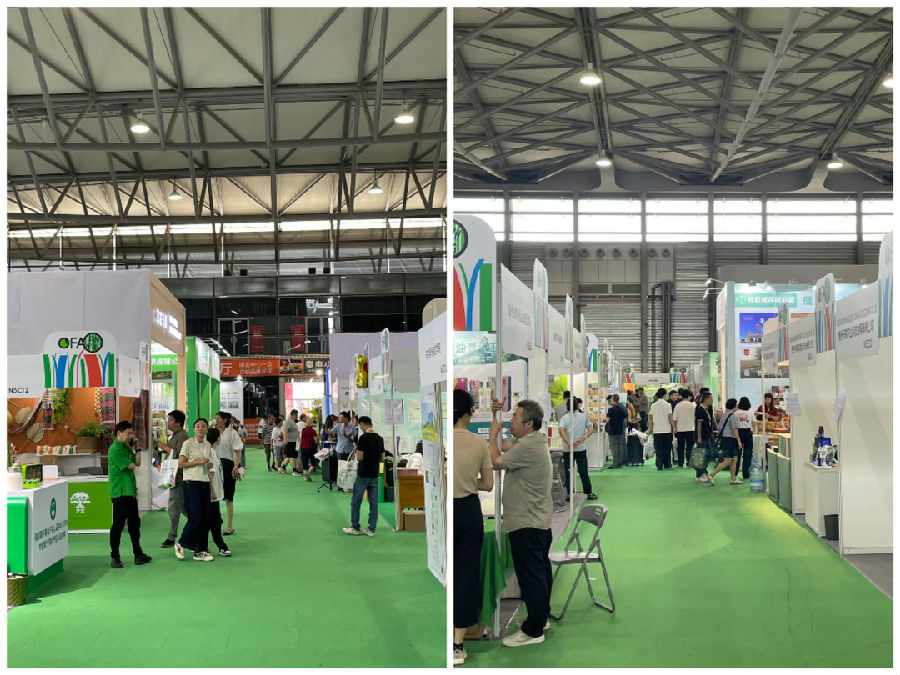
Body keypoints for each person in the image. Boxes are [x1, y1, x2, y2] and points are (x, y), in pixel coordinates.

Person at [488, 398, 553, 648]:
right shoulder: (532, 441)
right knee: (540, 572)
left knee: (531, 576)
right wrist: (495, 420)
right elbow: (505, 446)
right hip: (536, 520)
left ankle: (533, 630)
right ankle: (541, 618)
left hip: (527, 522)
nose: (511, 421)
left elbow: (496, 462)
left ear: (528, 423)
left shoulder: (528, 446)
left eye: (515, 417)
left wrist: (492, 434)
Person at [452, 389, 494, 666]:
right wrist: (468, 481)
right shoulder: (479, 442)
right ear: (469, 413)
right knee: (466, 574)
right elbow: (488, 484)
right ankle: (458, 644)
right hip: (468, 511)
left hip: (446, 509)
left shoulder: (441, 440)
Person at [108, 421, 152, 568]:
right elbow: (132, 466)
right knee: (118, 525)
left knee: (134, 524)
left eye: (131, 433)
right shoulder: (114, 450)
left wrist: (137, 448)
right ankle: (115, 556)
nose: (131, 436)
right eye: (128, 433)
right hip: (120, 492)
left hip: (130, 491)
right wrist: (133, 451)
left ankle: (138, 554)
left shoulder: (126, 447)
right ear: (119, 433)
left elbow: (138, 463)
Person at [175, 418, 215, 562]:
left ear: (206, 429)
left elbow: (206, 466)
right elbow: (181, 463)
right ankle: (182, 543)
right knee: (196, 517)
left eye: (203, 426)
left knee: (206, 518)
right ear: (193, 429)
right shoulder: (188, 443)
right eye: (198, 426)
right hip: (191, 483)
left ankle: (201, 550)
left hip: (204, 483)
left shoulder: (208, 445)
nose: (200, 429)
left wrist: (208, 467)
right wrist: (198, 462)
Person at [342, 416, 384, 536]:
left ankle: (355, 527)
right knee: (373, 503)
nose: (360, 427)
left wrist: (356, 451)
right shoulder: (380, 438)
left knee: (356, 500)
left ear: (363, 424)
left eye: (360, 425)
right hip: (374, 474)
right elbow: (382, 457)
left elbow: (360, 457)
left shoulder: (363, 438)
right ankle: (371, 529)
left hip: (363, 473)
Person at [158, 409, 188, 548]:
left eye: (170, 420)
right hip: (175, 477)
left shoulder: (182, 436)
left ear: (178, 422)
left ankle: (171, 536)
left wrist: (165, 447)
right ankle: (199, 524)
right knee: (182, 507)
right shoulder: (175, 436)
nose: (168, 422)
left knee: (174, 507)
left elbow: (180, 455)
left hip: (179, 477)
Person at [559, 398, 597, 499]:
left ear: (567, 406)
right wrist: (582, 439)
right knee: (583, 472)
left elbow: (561, 430)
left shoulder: (564, 418)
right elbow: (590, 430)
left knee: (568, 472)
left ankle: (569, 494)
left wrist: (568, 442)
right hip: (581, 448)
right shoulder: (583, 416)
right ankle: (588, 493)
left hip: (568, 449)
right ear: (577, 405)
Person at [213, 411, 243, 535]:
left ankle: (229, 526)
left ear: (224, 420)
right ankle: (216, 522)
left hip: (228, 466)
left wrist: (236, 466)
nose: (216, 420)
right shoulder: (212, 432)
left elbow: (238, 451)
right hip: (214, 466)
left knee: (228, 497)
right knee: (213, 496)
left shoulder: (232, 433)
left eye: (218, 418)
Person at [205, 428, 231, 557]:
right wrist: (213, 492)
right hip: (211, 495)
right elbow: (208, 474)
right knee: (214, 522)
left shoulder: (213, 452)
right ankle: (221, 546)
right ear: (218, 439)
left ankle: (200, 545)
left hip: (214, 494)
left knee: (212, 521)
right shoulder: (209, 453)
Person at [708, 398, 742, 486]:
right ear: (734, 406)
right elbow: (735, 430)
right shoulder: (734, 416)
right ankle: (712, 474)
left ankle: (733, 478)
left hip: (725, 439)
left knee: (734, 459)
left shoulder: (724, 415)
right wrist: (739, 440)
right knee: (728, 460)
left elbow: (719, 428)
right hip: (731, 439)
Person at [649, 388, 675, 470]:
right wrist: (673, 427)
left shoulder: (653, 405)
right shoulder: (668, 405)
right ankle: (667, 464)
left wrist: (650, 428)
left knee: (658, 449)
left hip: (657, 430)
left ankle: (659, 465)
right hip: (666, 430)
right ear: (664, 395)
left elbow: (650, 417)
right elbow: (670, 417)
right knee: (667, 448)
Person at [693, 391, 715, 483]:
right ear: (706, 399)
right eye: (711, 398)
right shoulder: (700, 409)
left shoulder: (708, 409)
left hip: (708, 435)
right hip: (702, 436)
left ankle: (704, 471)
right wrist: (699, 437)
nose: (712, 400)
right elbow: (699, 424)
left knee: (710, 454)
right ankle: (700, 474)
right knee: (700, 455)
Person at [604, 394, 628, 470]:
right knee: (620, 447)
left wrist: (604, 420)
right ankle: (620, 462)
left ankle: (615, 464)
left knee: (614, 448)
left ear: (612, 400)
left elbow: (608, 420)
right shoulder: (622, 409)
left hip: (612, 431)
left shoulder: (610, 410)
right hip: (620, 430)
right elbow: (625, 420)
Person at [673, 389, 696, 468]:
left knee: (680, 447)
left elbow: (674, 419)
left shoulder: (678, 405)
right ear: (689, 396)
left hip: (680, 429)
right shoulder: (692, 405)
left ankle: (680, 463)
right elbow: (695, 418)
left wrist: (674, 428)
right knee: (690, 447)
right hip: (691, 428)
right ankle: (689, 462)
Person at [735, 397, 755, 479]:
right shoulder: (751, 413)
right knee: (748, 454)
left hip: (738, 432)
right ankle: (746, 474)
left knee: (737, 454)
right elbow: (754, 424)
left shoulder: (736, 413)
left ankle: (734, 473)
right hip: (748, 432)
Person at [300, 415, 319, 482]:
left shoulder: (303, 430)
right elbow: (315, 440)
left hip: (303, 447)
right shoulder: (313, 431)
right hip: (311, 448)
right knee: (313, 463)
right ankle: (308, 473)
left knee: (305, 463)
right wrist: (318, 443)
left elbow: (301, 438)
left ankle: (307, 477)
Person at [282, 410, 301, 475]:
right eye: (297, 415)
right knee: (291, 456)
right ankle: (294, 471)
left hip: (294, 441)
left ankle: (282, 468)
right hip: (290, 441)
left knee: (291, 456)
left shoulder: (292, 421)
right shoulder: (288, 421)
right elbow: (285, 430)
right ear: (294, 414)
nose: (297, 416)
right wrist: (285, 439)